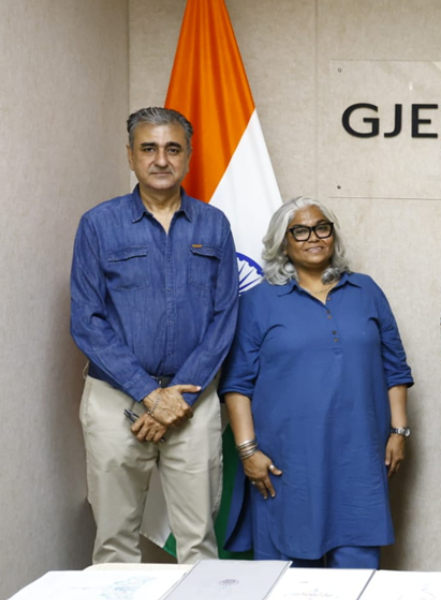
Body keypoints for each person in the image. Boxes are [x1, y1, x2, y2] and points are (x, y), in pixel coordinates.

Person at [70, 107, 238, 564]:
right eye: (149, 148)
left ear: (188, 156)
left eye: (172, 149)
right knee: (114, 543)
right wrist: (149, 394)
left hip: (192, 401)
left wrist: (175, 398)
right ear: (130, 155)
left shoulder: (214, 224)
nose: (161, 159)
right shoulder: (98, 224)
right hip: (115, 401)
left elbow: (225, 318)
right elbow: (86, 320)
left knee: (199, 543)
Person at [220, 196, 412, 568]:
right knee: (290, 579)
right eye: (301, 231)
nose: (314, 237)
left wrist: (399, 432)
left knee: (356, 575)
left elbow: (396, 369)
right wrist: (248, 451)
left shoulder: (366, 291)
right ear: (283, 243)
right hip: (286, 464)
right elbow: (237, 384)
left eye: (322, 228)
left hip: (359, 458)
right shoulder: (259, 301)